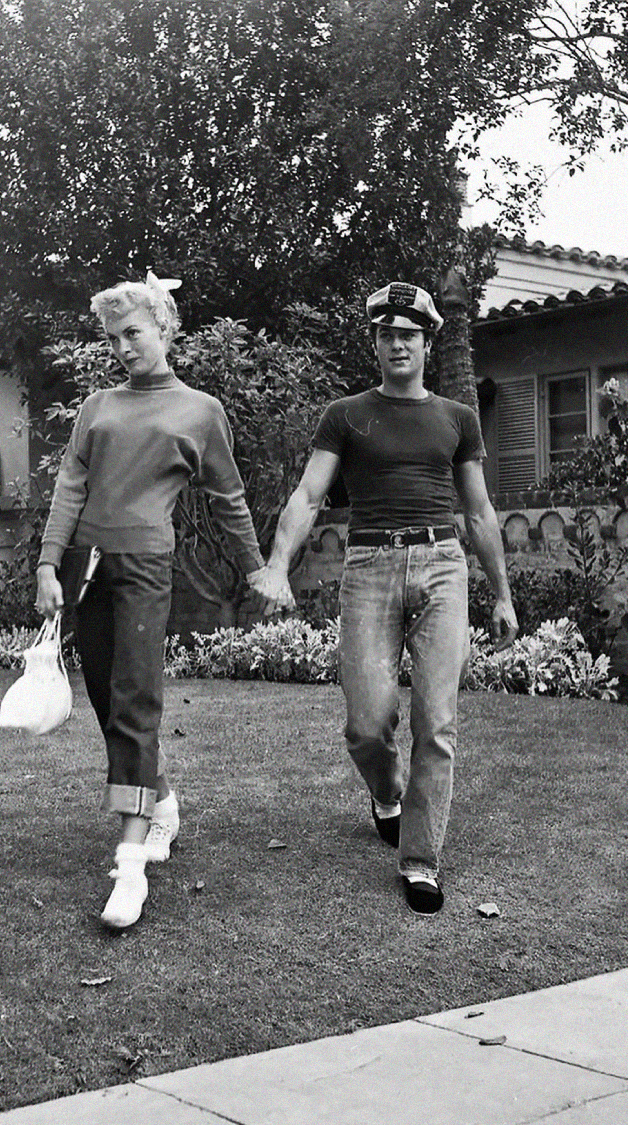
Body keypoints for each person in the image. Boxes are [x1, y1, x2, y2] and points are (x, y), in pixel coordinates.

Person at [256, 281, 518, 915]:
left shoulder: (457, 418)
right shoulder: (346, 414)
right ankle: (386, 792)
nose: (398, 343)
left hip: (442, 566)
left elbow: (479, 512)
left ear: (426, 344)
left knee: (437, 722)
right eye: (386, 334)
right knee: (367, 725)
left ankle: (420, 861)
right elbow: (307, 496)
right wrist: (277, 565)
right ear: (375, 343)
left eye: (409, 334)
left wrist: (503, 595)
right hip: (369, 566)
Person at [35, 272, 270, 929]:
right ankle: (161, 803)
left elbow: (228, 498)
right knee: (109, 704)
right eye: (113, 338)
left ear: (164, 328)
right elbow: (71, 485)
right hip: (88, 567)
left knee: (136, 702)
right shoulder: (97, 407)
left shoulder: (201, 411)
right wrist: (49, 564)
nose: (122, 348)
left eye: (132, 333)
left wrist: (255, 569)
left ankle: (131, 864)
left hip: (145, 567)